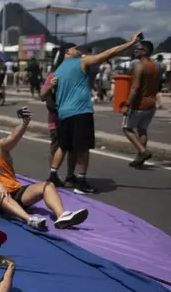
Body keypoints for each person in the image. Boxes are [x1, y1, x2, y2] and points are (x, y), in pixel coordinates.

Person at [0, 111, 89, 231]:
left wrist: (24, 123)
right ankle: (29, 219)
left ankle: (62, 216)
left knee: (47, 185)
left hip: (16, 191)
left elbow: (13, 137)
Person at [54, 33, 140, 195]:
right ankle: (81, 181)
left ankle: (65, 177)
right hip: (80, 111)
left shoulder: (58, 70)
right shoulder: (81, 61)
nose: (78, 50)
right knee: (83, 148)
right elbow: (108, 54)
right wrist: (130, 43)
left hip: (64, 113)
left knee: (68, 147)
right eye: (74, 48)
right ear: (67, 52)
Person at [122, 40, 159, 167]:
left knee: (126, 128)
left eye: (138, 48)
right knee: (142, 130)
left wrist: (127, 104)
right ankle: (139, 159)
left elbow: (135, 88)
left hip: (139, 104)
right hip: (151, 104)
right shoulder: (155, 66)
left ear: (145, 51)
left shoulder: (139, 66)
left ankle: (142, 151)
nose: (135, 50)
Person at [41, 48, 66, 187]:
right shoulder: (53, 75)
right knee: (56, 147)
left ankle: (70, 175)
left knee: (71, 148)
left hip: (71, 116)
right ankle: (53, 175)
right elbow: (43, 95)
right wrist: (52, 85)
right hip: (55, 118)